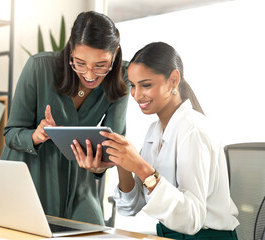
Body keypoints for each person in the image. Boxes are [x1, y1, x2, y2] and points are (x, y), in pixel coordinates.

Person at [71, 42, 239, 239]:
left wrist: (141, 167)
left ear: (173, 80)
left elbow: (192, 219)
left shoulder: (193, 130)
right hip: (169, 235)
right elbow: (130, 207)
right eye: (133, 85)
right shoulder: (155, 131)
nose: (136, 94)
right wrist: (122, 163)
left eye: (146, 85)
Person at [0, 11, 129, 225]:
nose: (89, 75)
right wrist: (36, 135)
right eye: (80, 63)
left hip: (79, 183)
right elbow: (11, 133)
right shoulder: (39, 66)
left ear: (115, 53)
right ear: (71, 49)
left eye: (100, 65)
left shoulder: (122, 77)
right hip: (30, 176)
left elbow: (114, 143)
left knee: (95, 232)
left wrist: (101, 166)